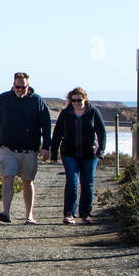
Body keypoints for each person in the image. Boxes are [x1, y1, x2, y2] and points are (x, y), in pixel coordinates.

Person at [0, 71, 51, 224]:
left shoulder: (37, 101)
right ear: (13, 85)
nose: (20, 90)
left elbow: (46, 124)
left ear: (28, 86)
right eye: (18, 87)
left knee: (27, 180)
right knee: (7, 177)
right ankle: (6, 212)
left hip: (29, 149)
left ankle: (29, 215)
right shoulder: (3, 99)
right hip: (7, 148)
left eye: (23, 87)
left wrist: (46, 146)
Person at [50, 86, 105, 224]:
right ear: (70, 101)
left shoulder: (93, 112)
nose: (76, 103)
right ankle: (69, 213)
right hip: (69, 153)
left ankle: (86, 213)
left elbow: (101, 132)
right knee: (72, 182)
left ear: (85, 99)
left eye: (79, 100)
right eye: (73, 100)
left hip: (89, 154)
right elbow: (57, 134)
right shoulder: (65, 113)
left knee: (87, 184)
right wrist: (53, 153)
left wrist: (101, 150)